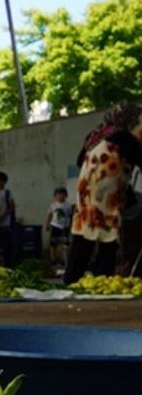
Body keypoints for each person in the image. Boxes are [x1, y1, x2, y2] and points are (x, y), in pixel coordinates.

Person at [65, 102, 142, 284]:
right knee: (108, 233)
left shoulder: (97, 133)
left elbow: (79, 161)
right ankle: (102, 277)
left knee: (84, 233)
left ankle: (71, 279)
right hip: (106, 192)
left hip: (86, 191)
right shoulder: (124, 137)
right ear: (128, 119)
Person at [45, 186, 71, 268]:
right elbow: (49, 215)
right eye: (58, 194)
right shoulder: (53, 205)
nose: (60, 196)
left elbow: (70, 216)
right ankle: (53, 260)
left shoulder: (68, 206)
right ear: (55, 196)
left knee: (65, 244)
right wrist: (47, 224)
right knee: (53, 244)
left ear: (66, 195)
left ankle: (64, 260)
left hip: (65, 227)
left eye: (62, 194)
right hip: (55, 226)